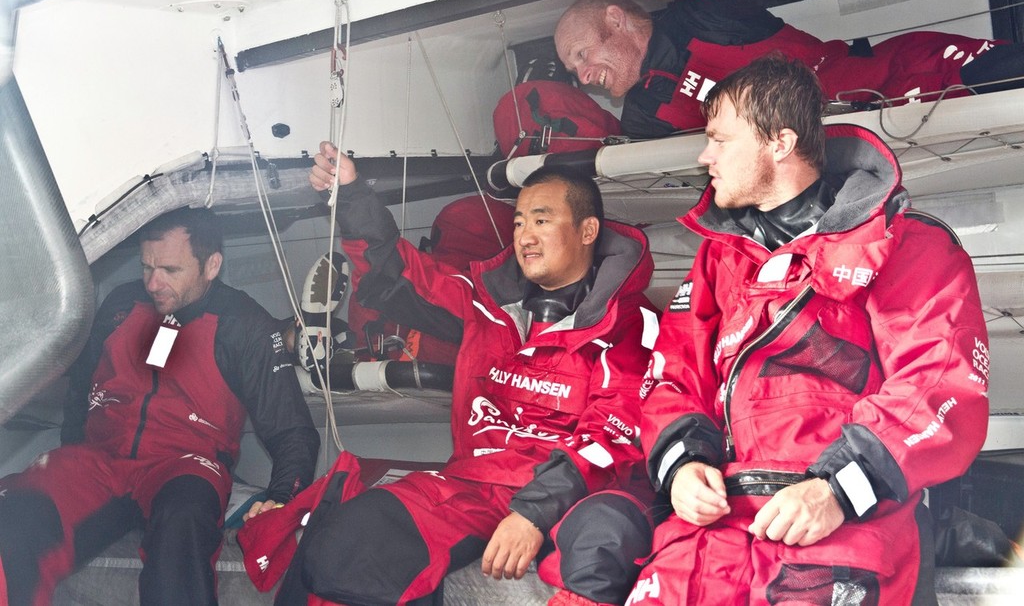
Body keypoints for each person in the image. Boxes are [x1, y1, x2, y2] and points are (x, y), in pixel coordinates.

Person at [624, 54, 989, 605]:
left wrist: (836, 491)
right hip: (710, 533)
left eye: (719, 140)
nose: (705, 157)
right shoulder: (717, 260)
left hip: (837, 526)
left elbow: (938, 387)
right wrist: (684, 464)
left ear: (779, 143)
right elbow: (674, 376)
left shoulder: (904, 244)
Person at [272, 142, 659, 606]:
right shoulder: (486, 303)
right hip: (472, 486)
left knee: (601, 538)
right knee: (344, 545)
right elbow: (401, 279)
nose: (525, 236)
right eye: (518, 223)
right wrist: (354, 196)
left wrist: (531, 514)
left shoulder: (633, 323)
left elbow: (612, 439)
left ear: (587, 230)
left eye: (541, 220)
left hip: (574, 497)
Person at [0, 207, 320, 606]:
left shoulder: (243, 323)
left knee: (182, 524)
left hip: (185, 464)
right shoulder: (122, 304)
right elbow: (80, 387)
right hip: (101, 459)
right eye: (146, 267)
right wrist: (71, 451)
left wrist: (283, 498)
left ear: (211, 265)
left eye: (170, 269)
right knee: (16, 512)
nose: (153, 283)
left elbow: (291, 428)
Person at [555, 0, 1024, 139]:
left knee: (1006, 75)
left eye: (582, 56)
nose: (584, 77)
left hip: (891, 79)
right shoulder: (640, 118)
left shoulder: (701, 15)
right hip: (839, 155)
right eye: (575, 72)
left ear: (616, 19)